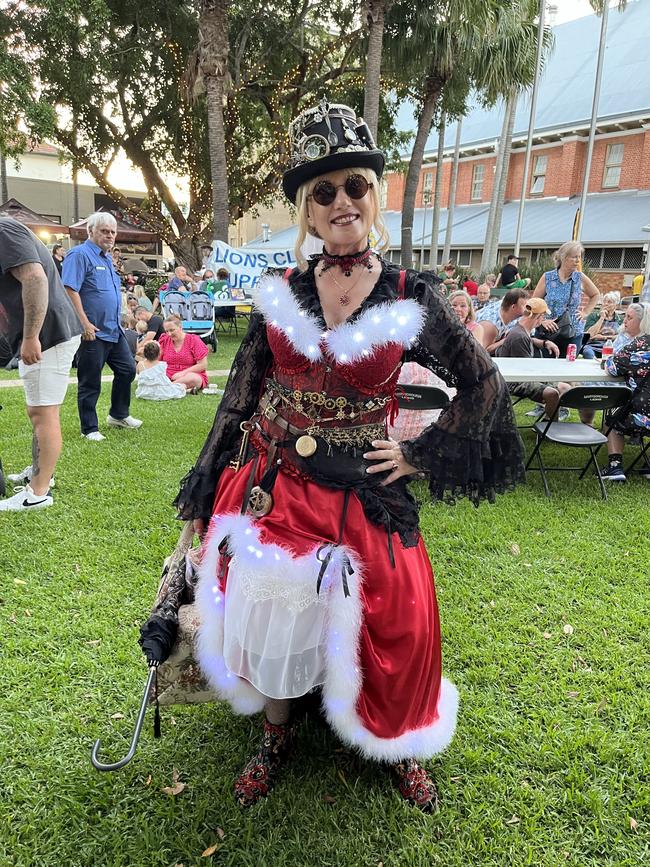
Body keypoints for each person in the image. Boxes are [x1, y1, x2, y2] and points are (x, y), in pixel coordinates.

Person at [170, 99, 525, 812]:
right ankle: (276, 734)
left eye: (354, 186)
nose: (341, 202)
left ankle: (399, 742)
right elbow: (239, 395)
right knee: (269, 609)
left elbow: (483, 383)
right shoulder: (283, 298)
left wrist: (421, 456)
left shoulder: (408, 295)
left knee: (400, 615)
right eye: (323, 191)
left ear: (374, 195)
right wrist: (207, 488)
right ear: (306, 209)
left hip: (365, 487)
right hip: (279, 484)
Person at [0, 216, 82, 511]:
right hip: (48, 333)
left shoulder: (3, 230)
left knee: (42, 413)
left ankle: (37, 492)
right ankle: (40, 472)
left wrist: (31, 336)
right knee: (40, 410)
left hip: (48, 335)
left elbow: (35, 278)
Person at [62, 211, 142, 441]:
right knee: (90, 380)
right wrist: (84, 323)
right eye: (104, 231)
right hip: (93, 331)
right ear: (91, 231)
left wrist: (125, 315)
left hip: (114, 330)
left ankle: (118, 415)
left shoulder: (106, 258)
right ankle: (89, 428)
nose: (109, 236)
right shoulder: (79, 255)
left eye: (112, 232)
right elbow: (69, 290)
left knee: (127, 369)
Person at [495, 297, 570, 421]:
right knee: (552, 393)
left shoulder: (522, 329)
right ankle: (551, 426)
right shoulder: (519, 336)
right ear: (539, 317)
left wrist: (545, 343)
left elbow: (530, 340)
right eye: (543, 316)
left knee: (565, 388)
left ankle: (547, 420)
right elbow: (526, 372)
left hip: (521, 376)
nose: (544, 319)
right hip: (514, 382)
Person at [532, 241, 599, 357]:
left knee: (567, 368)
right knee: (543, 368)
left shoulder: (580, 278)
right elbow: (534, 303)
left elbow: (595, 294)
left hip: (572, 332)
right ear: (563, 257)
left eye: (579, 257)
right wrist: (542, 320)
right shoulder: (548, 277)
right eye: (574, 257)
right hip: (548, 331)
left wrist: (585, 312)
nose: (578, 260)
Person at [600, 332, 650, 482]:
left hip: (641, 414)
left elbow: (613, 367)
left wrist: (607, 361)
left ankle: (615, 467)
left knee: (612, 418)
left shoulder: (643, 343)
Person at [158, 313, 209, 391]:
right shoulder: (164, 340)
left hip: (189, 374)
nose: (169, 334)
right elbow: (157, 361)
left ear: (180, 327)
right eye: (167, 331)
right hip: (168, 374)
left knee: (194, 379)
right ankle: (177, 387)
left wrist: (183, 373)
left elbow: (203, 365)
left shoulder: (193, 340)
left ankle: (167, 388)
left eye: (172, 330)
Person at [476, 286, 531, 354]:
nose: (528, 309)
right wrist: (507, 339)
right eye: (525, 306)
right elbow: (481, 351)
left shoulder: (507, 307)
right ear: (513, 307)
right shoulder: (491, 326)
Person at [583, 291, 623, 356]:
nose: (606, 304)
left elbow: (621, 336)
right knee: (588, 353)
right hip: (593, 346)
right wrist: (601, 318)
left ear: (616, 305)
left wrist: (604, 337)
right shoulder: (593, 316)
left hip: (612, 347)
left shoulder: (620, 319)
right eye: (604, 301)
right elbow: (589, 335)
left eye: (609, 302)